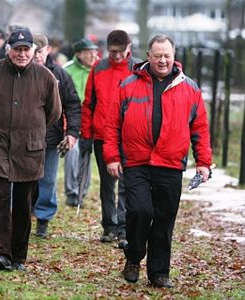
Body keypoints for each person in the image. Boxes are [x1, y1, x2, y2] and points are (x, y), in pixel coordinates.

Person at [103, 34, 212, 288]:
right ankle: (133, 257)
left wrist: (204, 162)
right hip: (137, 161)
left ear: (174, 57)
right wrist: (112, 157)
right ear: (148, 56)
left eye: (167, 56)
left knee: (164, 219)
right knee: (139, 211)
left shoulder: (190, 87)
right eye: (157, 55)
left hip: (170, 162)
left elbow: (200, 128)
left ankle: (159, 272)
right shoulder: (129, 84)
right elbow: (112, 125)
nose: (162, 60)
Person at [0, 28, 61, 271]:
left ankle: (18, 256)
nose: (22, 54)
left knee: (23, 203)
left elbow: (53, 113)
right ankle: (0, 253)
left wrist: (30, 129)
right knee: (1, 198)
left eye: (26, 49)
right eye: (17, 49)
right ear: (8, 50)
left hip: (29, 150)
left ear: (33, 51)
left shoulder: (45, 77)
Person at [80, 30, 141, 248]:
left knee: (128, 183)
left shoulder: (138, 69)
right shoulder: (99, 68)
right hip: (102, 135)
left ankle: (124, 227)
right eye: (112, 51)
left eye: (120, 52)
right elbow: (89, 103)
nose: (116, 56)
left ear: (129, 47)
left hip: (131, 136)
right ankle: (109, 226)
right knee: (107, 183)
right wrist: (86, 134)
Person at [31, 33, 81, 238]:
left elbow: (73, 105)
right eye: (32, 51)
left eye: (39, 52)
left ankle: (43, 218)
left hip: (51, 137)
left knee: (48, 180)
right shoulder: (19, 73)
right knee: (22, 179)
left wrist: (71, 133)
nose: (35, 56)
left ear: (47, 51)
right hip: (22, 137)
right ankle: (20, 215)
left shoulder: (59, 74)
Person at [62, 38, 99, 207]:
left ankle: (82, 192)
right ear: (78, 54)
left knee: (86, 154)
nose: (93, 55)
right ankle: (71, 191)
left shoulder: (100, 68)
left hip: (92, 120)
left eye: (94, 51)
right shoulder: (67, 70)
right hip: (72, 119)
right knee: (72, 152)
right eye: (88, 52)